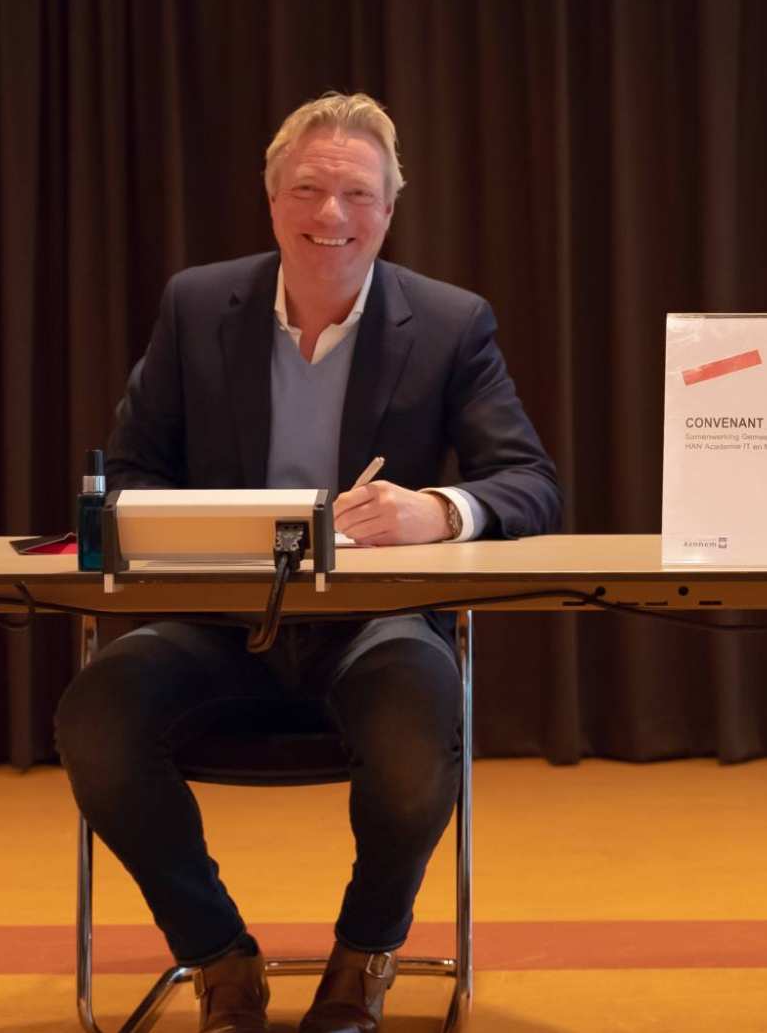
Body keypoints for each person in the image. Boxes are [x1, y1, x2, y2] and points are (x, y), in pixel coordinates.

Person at [56, 92, 561, 1033]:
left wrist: (439, 511)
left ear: (390, 210)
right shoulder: (198, 303)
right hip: (213, 629)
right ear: (272, 200)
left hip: (374, 633)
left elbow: (530, 482)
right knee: (96, 715)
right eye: (309, 189)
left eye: (358, 194)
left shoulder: (451, 324)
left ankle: (365, 956)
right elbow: (130, 471)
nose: (332, 215)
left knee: (420, 720)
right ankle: (218, 959)